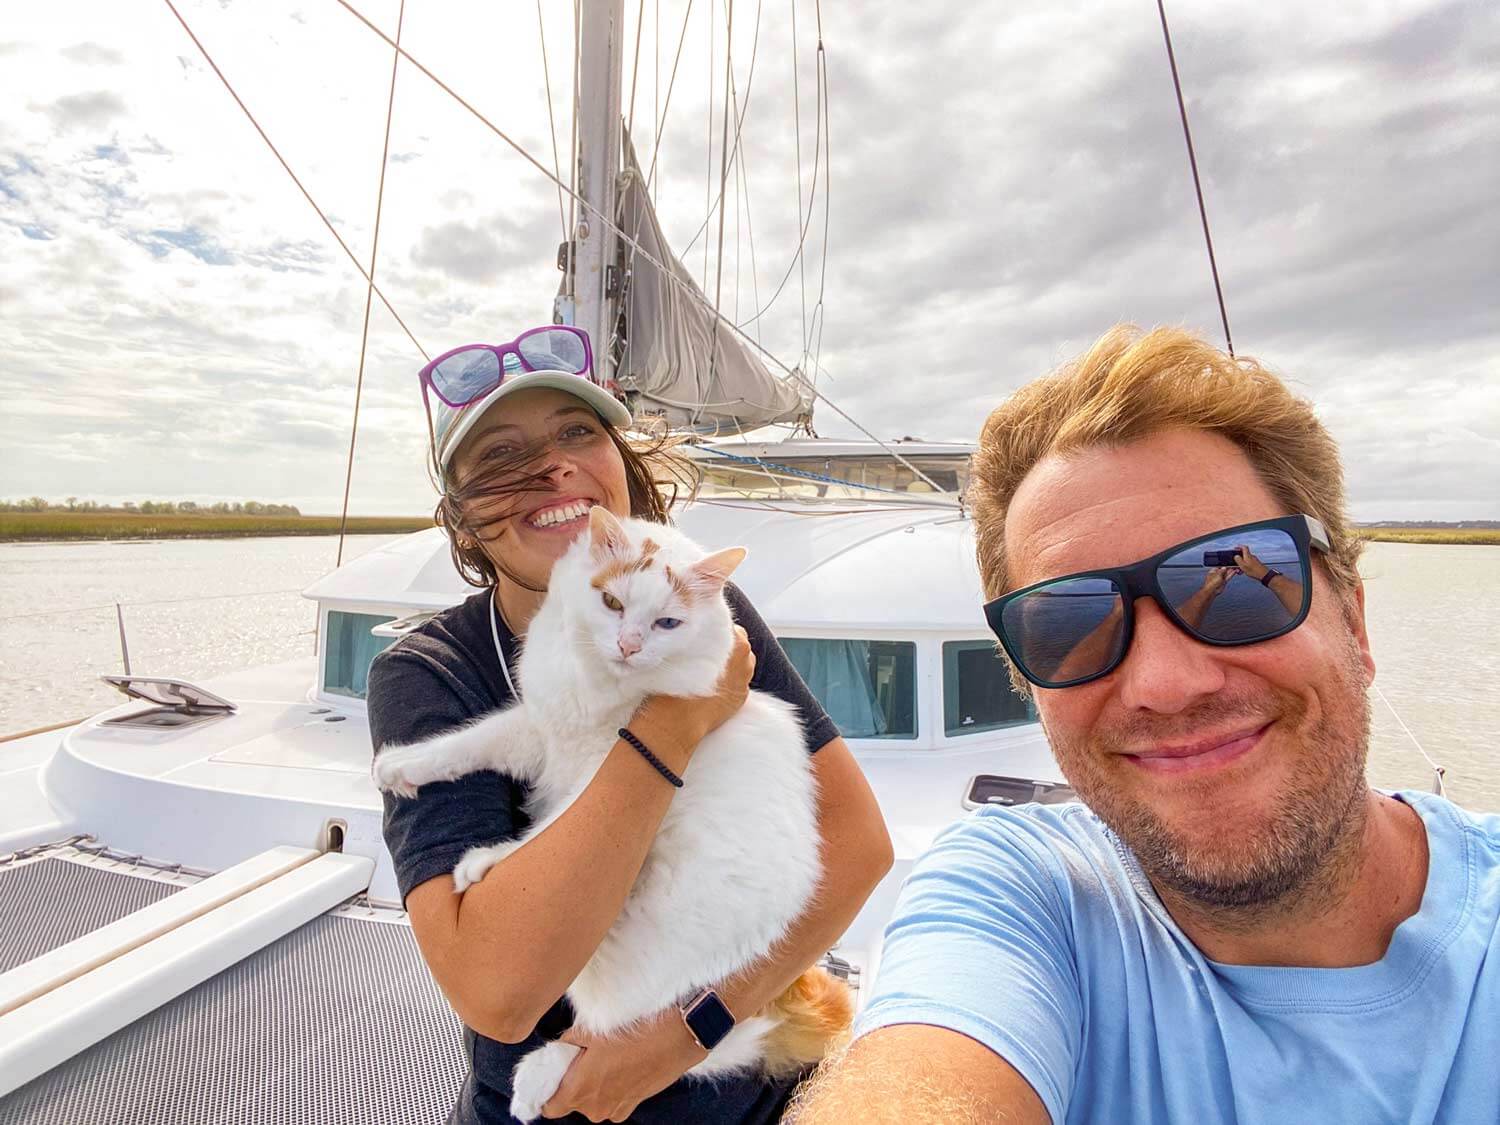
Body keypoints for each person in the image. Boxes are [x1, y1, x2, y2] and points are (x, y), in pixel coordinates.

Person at [788, 325, 1500, 1123]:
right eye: (1067, 625)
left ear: (1356, 625)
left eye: (1234, 586)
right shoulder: (1021, 899)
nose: (1165, 684)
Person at [367, 326, 893, 1124]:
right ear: (464, 519)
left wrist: (682, 1036)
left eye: (578, 432)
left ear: (622, 462)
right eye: (502, 456)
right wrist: (675, 727)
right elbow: (498, 992)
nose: (552, 466)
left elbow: (859, 845)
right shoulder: (432, 671)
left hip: (748, 1098)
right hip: (545, 1109)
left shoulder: (700, 610)